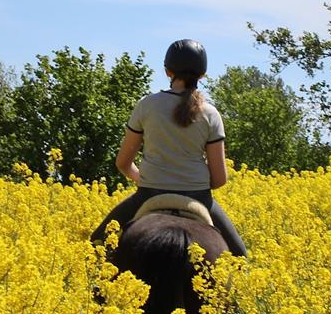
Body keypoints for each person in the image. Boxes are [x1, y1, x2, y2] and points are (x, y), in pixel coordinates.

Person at [91, 39, 248, 257]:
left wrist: (145, 179)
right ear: (202, 75)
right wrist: (192, 182)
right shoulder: (211, 114)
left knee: (93, 250)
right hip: (198, 197)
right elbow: (220, 178)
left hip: (149, 193)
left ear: (168, 71)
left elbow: (123, 163)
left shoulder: (146, 105)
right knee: (240, 260)